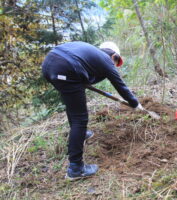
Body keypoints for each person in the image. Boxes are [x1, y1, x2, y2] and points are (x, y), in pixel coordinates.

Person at [42, 41, 143, 180]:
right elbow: (121, 86)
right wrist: (135, 104)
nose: (115, 65)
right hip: (65, 68)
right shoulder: (106, 60)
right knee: (80, 118)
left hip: (49, 64)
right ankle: (76, 169)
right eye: (117, 61)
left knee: (73, 107)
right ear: (114, 55)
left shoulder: (90, 55)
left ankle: (79, 135)